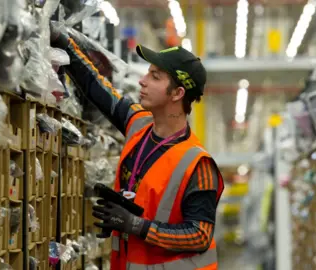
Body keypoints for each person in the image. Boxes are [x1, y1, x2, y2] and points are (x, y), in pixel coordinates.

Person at [51, 26, 224, 270]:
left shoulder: (198, 164)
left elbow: (199, 235)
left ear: (177, 93)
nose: (142, 81)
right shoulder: (138, 123)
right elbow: (98, 88)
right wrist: (62, 42)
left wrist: (136, 225)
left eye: (155, 76)